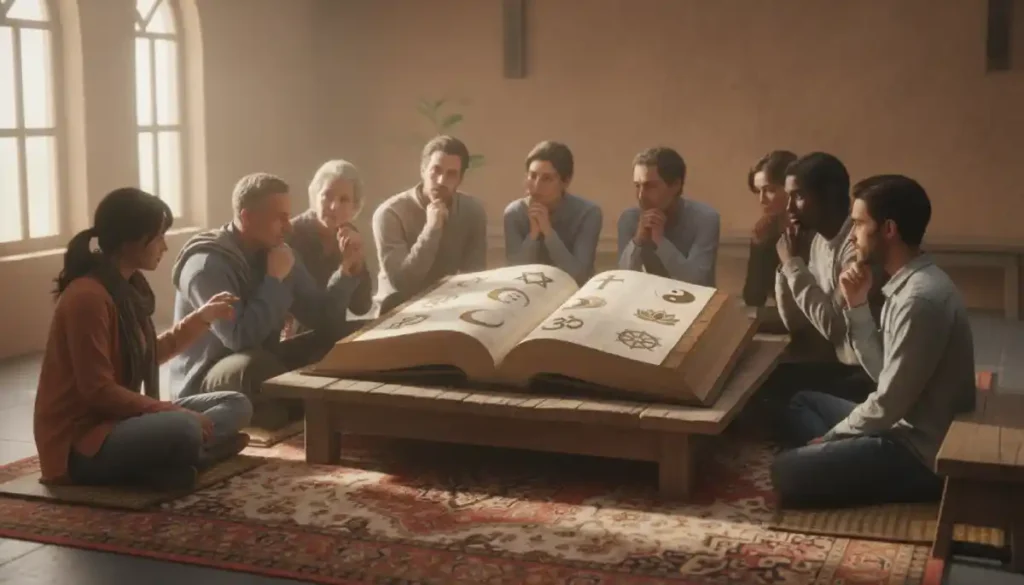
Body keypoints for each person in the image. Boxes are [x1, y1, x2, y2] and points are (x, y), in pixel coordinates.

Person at [771, 174, 976, 509]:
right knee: (802, 402)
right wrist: (857, 305)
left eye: (858, 224)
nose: (852, 236)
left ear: (889, 229)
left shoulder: (920, 299)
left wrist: (831, 438)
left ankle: (827, 457)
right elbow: (884, 373)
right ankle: (829, 457)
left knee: (784, 472)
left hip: (918, 450)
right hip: (897, 424)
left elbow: (887, 403)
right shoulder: (908, 284)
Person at [34, 188, 253, 490]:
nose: (164, 245)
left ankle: (178, 463)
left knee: (236, 403)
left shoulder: (128, 289)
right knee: (185, 427)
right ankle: (189, 458)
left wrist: (203, 317)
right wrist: (173, 411)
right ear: (132, 240)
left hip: (120, 422)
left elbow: (148, 354)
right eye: (159, 236)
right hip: (82, 442)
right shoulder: (88, 298)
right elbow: (98, 392)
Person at [169, 173, 366, 426]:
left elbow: (323, 317)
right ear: (246, 218)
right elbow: (240, 338)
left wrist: (347, 270)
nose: (289, 226)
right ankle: (302, 407)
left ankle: (295, 406)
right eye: (280, 218)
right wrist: (274, 281)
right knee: (254, 365)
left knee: (351, 336)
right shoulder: (207, 265)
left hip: (267, 357)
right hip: (208, 375)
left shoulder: (280, 253)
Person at [774, 153, 885, 397]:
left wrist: (793, 265)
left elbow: (833, 327)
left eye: (799, 196)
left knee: (780, 395)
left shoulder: (857, 247)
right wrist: (788, 268)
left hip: (870, 375)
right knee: (762, 380)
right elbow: (797, 324)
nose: (789, 207)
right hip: (838, 364)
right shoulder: (815, 242)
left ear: (828, 198)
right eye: (788, 197)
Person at [372, 135, 488, 313]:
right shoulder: (390, 213)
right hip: (397, 311)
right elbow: (403, 284)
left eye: (451, 174)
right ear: (423, 170)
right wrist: (432, 230)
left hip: (449, 307)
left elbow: (474, 277)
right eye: (436, 170)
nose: (441, 181)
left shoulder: (473, 211)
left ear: (460, 179)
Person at [286, 159, 374, 335]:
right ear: (315, 195)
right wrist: (345, 271)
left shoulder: (348, 233)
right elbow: (314, 314)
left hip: (333, 331)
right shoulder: (292, 235)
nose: (334, 206)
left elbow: (361, 307)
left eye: (344, 200)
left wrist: (357, 265)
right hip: (298, 334)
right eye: (327, 195)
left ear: (355, 207)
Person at [616, 147, 720, 287]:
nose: (641, 196)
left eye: (650, 186)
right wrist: (637, 242)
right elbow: (623, 280)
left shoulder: (705, 219)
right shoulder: (629, 219)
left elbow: (696, 281)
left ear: (676, 185)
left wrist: (660, 241)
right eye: (637, 186)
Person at [503, 141, 602, 285]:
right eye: (532, 176)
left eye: (547, 179)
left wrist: (548, 233)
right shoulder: (514, 213)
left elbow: (580, 276)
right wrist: (533, 235)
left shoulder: (588, 213)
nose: (536, 186)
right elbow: (513, 274)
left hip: (573, 295)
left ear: (565, 182)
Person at [743, 150, 797, 307]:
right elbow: (753, 297)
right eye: (758, 191)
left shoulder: (816, 232)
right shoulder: (765, 231)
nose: (762, 200)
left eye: (770, 190)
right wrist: (759, 246)